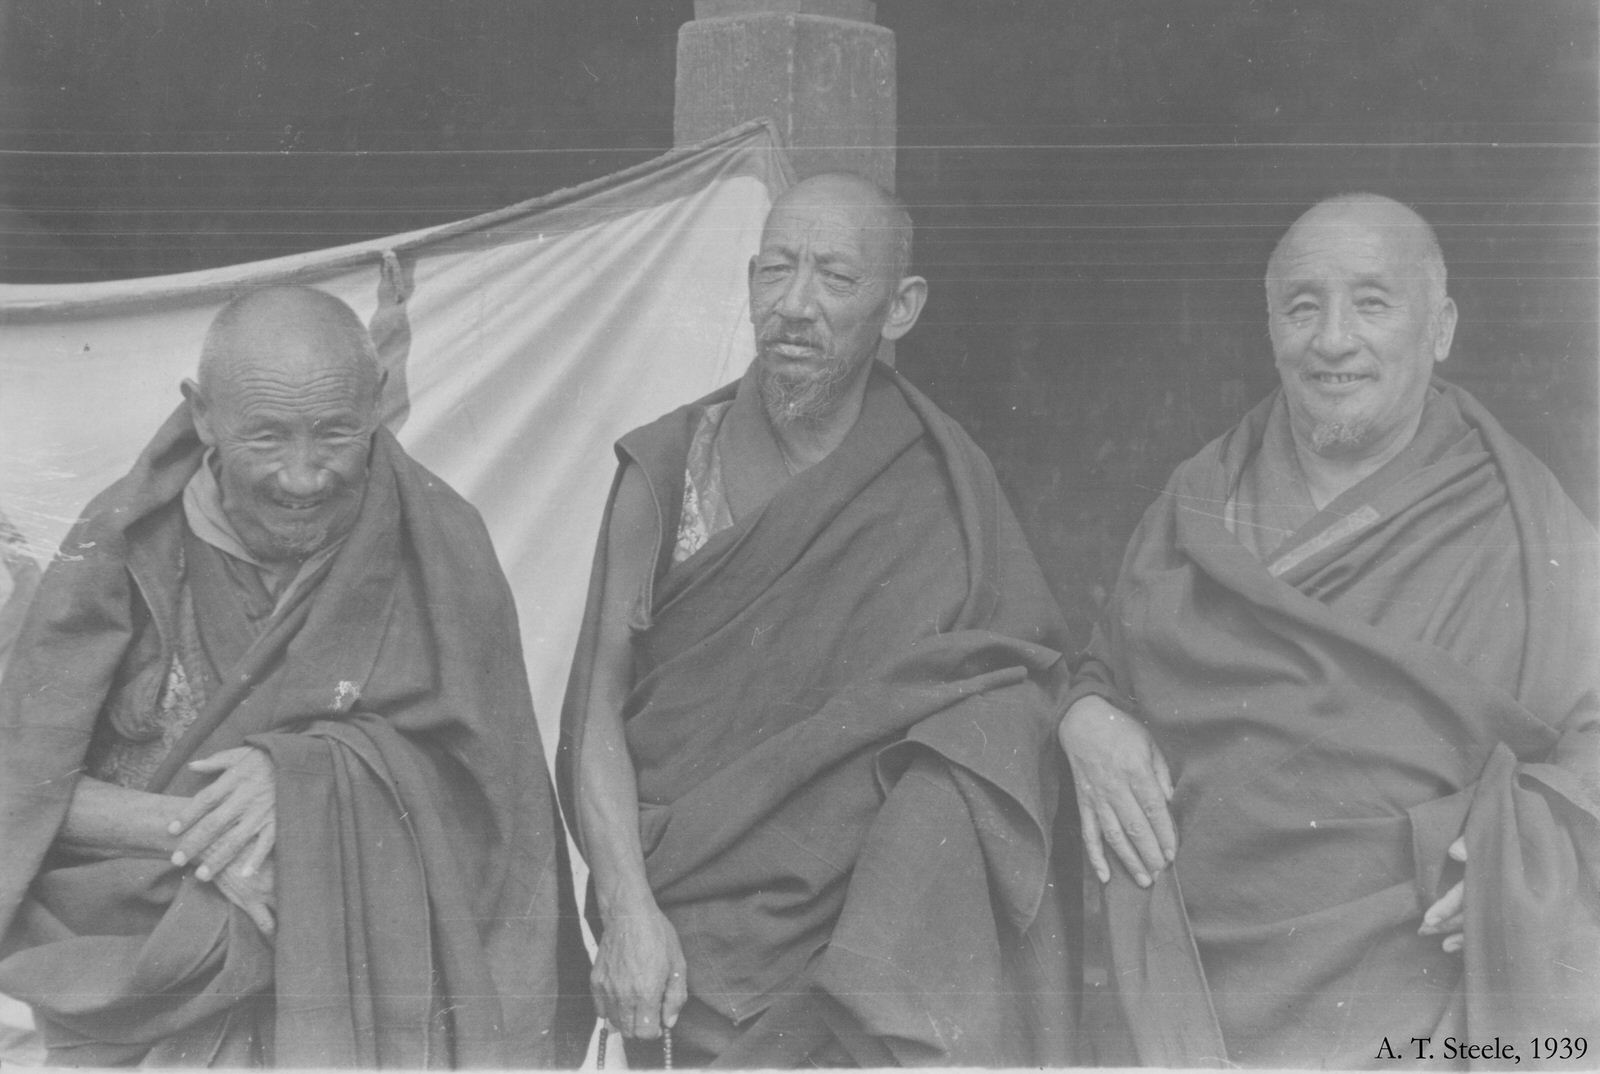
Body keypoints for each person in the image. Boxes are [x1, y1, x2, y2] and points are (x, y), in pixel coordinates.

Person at [1059, 193, 1599, 1067]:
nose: (1334, 340)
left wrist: (1518, 847)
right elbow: (1104, 664)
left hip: (1411, 973)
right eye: (1303, 307)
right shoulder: (1201, 496)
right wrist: (1087, 714)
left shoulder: (1521, 516)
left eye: (1372, 304)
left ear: (1442, 327)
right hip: (1190, 959)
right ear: (1271, 329)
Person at [558, 172, 1078, 1067]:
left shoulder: (941, 481)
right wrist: (631, 908)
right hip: (695, 944)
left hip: (875, 943)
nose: (794, 306)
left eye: (835, 279)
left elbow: (1016, 680)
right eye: (776, 272)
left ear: (901, 306)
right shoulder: (671, 466)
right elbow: (593, 712)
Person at [0, 286, 591, 1067]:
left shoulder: (440, 544)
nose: (305, 477)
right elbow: (23, 794)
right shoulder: (122, 549)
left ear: (377, 400)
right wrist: (216, 836)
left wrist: (300, 783)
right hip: (153, 989)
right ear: (203, 414)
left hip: (373, 1004)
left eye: (337, 433)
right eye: (269, 438)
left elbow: (498, 809)